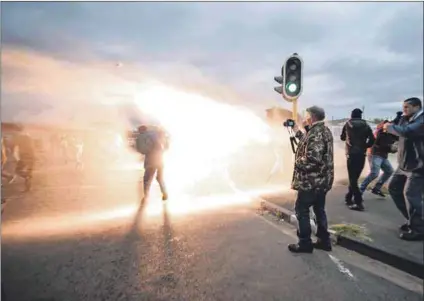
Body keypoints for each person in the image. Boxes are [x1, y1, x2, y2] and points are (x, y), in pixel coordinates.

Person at [288, 106, 334, 253]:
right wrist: (295, 130)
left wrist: (297, 162)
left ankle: (305, 243)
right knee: (319, 209)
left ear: (312, 117)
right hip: (322, 181)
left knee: (302, 210)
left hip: (311, 182)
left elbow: (313, 159)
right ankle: (324, 241)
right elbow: (308, 143)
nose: (305, 117)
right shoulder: (321, 131)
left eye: (306, 115)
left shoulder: (316, 134)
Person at [384, 97, 424, 241]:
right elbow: (399, 132)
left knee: (411, 195)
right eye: (403, 107)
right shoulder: (406, 118)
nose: (404, 110)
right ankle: (414, 221)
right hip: (403, 165)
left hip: (417, 166)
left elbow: (407, 132)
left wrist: (389, 127)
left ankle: (419, 230)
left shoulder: (421, 121)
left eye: (407, 107)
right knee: (393, 188)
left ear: (417, 107)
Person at [340, 108, 375, 211]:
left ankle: (358, 202)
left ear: (351, 115)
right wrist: (365, 145)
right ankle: (349, 197)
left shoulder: (348, 124)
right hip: (361, 154)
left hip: (351, 154)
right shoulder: (366, 125)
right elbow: (372, 139)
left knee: (352, 178)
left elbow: (342, 137)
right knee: (355, 177)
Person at [359, 120, 398, 197]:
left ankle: (376, 188)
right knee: (374, 173)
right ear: (383, 126)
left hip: (383, 156)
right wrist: (391, 148)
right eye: (388, 126)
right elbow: (378, 144)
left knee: (389, 171)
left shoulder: (392, 134)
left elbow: (399, 138)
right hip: (374, 154)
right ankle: (360, 191)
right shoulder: (379, 133)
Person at [136, 125, 169, 202]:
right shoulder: (156, 135)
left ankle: (146, 196)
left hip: (151, 161)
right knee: (160, 178)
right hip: (160, 159)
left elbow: (141, 149)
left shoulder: (143, 136)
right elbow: (166, 146)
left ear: (141, 130)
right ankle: (164, 193)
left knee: (147, 179)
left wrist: (146, 152)